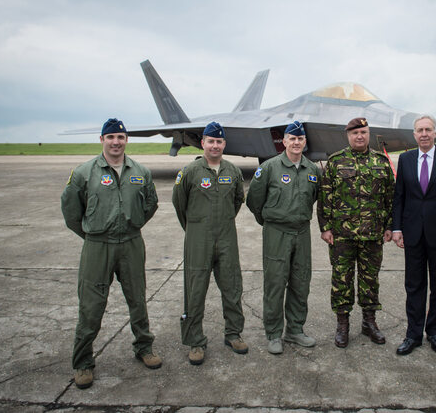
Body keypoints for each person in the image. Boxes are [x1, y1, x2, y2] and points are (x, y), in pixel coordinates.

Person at [61, 118, 161, 390]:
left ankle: (144, 347)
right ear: (102, 140)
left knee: (138, 299)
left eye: (120, 137)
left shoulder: (140, 171)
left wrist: (134, 222)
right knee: (91, 306)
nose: (116, 142)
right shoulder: (84, 173)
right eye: (111, 137)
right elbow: (71, 211)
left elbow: (151, 203)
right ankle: (83, 362)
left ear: (126, 140)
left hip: (131, 242)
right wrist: (92, 235)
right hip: (98, 245)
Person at [172, 122, 247, 365]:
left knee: (232, 286)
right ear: (203, 143)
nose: (215, 145)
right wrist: (195, 227)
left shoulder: (233, 171)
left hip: (226, 236)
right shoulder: (190, 171)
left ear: (224, 144)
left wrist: (221, 222)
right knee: (195, 290)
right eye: (210, 141)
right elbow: (178, 203)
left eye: (219, 141)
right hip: (198, 238)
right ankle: (195, 340)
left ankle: (233, 334)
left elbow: (238, 201)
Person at [317, 117, 395, 348]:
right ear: (348, 136)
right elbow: (325, 197)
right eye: (354, 133)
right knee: (342, 279)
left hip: (373, 233)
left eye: (363, 132)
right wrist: (325, 228)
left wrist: (389, 226)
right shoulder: (336, 161)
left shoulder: (380, 162)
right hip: (342, 235)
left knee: (370, 280)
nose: (359, 136)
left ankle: (369, 323)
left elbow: (390, 197)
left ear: (368, 134)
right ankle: (343, 325)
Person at [246, 121, 320, 355]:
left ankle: (295, 329)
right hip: (276, 232)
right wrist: (269, 222)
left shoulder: (313, 170)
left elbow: (314, 198)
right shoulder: (269, 168)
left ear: (304, 142)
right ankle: (274, 333)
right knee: (275, 283)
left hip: (302, 231)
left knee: (300, 282)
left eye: (300, 139)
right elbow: (254, 200)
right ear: (284, 141)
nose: (296, 142)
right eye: (292, 138)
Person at [392, 115, 436, 355]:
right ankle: (413, 335)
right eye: (420, 130)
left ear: (435, 134)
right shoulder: (406, 159)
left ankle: (434, 332)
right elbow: (399, 196)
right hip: (412, 233)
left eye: (428, 130)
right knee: (414, 286)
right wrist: (397, 228)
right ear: (414, 135)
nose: (424, 134)